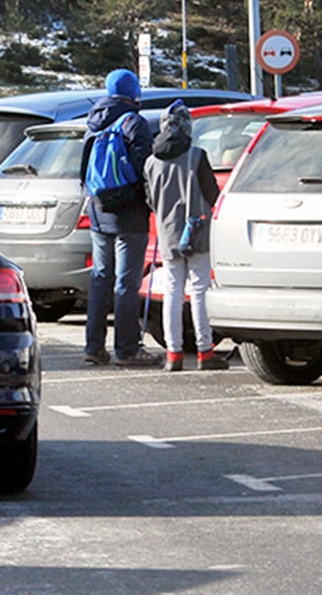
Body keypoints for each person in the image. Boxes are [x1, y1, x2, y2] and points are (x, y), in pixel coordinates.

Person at [80, 69, 160, 367]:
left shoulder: (93, 123)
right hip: (129, 213)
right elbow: (144, 168)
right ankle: (126, 349)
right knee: (126, 282)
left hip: (99, 209)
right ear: (134, 91)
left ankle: (93, 347)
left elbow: (84, 167)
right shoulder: (133, 122)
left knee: (101, 278)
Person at [146, 101, 227, 371]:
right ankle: (205, 351)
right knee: (200, 290)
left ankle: (173, 353)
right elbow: (212, 194)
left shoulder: (151, 161)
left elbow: (150, 200)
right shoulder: (196, 155)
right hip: (197, 232)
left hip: (167, 233)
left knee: (172, 291)